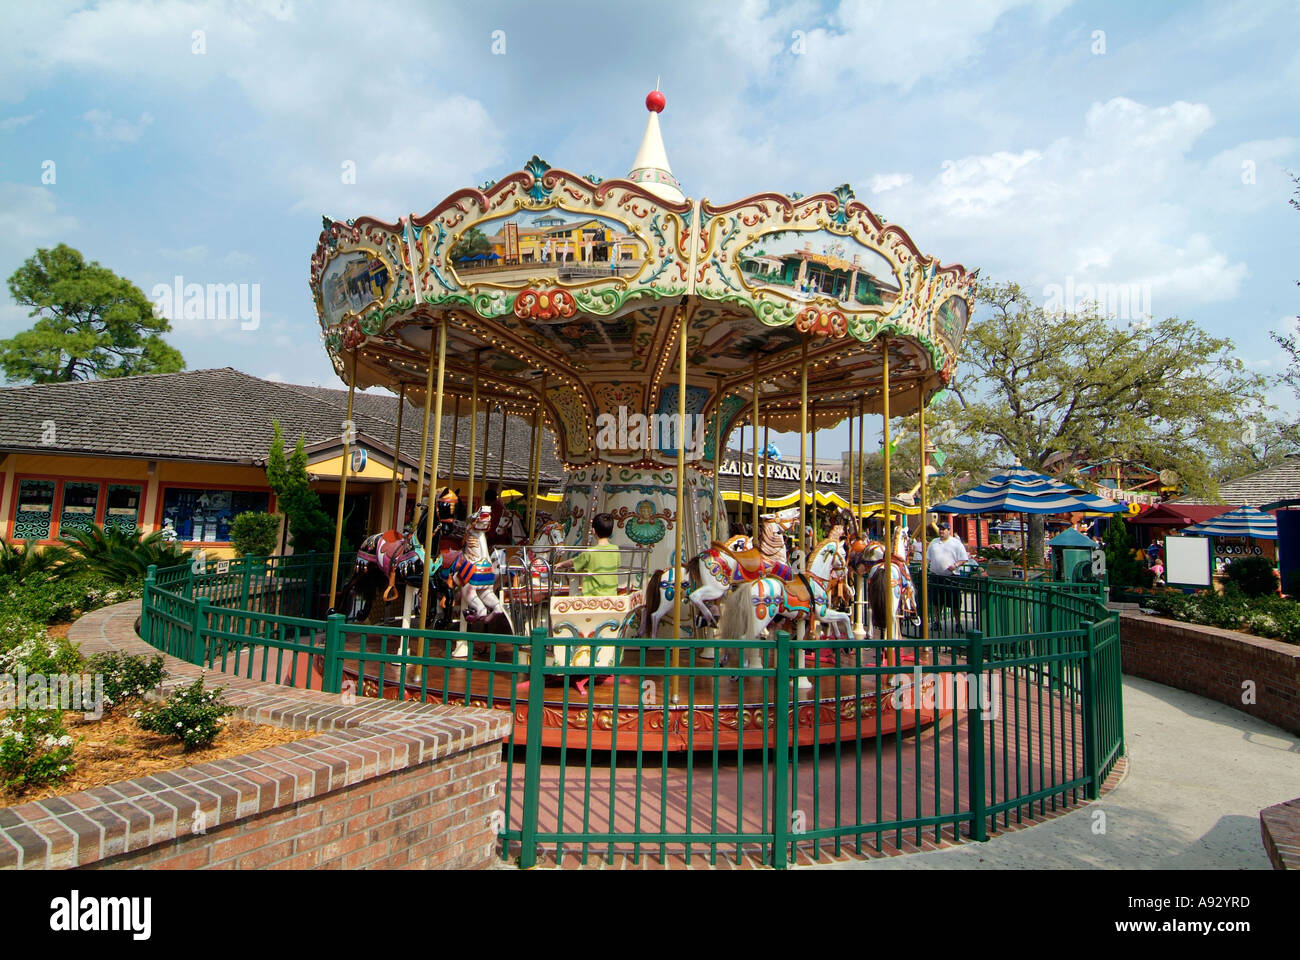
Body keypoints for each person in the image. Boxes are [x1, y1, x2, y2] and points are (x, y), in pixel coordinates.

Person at [555, 512, 620, 596]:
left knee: (573, 576)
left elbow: (573, 562)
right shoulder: (615, 549)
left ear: (593, 531)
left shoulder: (590, 552)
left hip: (592, 595)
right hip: (611, 594)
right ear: (611, 532)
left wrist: (561, 564)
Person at [927, 521, 970, 628]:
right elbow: (928, 558)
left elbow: (964, 558)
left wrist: (955, 565)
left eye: (943, 529)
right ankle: (937, 621)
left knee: (954, 602)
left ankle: (957, 623)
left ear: (948, 530)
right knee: (937, 601)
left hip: (951, 577)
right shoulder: (934, 542)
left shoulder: (956, 543)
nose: (941, 531)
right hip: (936, 575)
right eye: (940, 529)